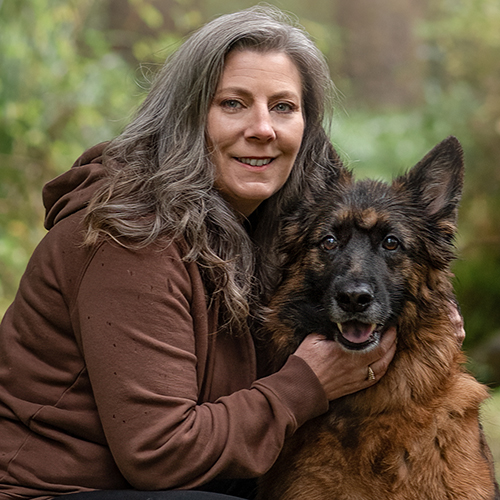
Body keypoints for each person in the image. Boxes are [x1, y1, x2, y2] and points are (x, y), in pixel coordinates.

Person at [0, 5, 465, 500]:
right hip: (61, 490)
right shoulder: (130, 237)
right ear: (187, 116)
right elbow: (160, 453)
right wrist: (306, 383)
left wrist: (426, 324)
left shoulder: (265, 222)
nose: (263, 128)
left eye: (283, 106)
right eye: (234, 103)